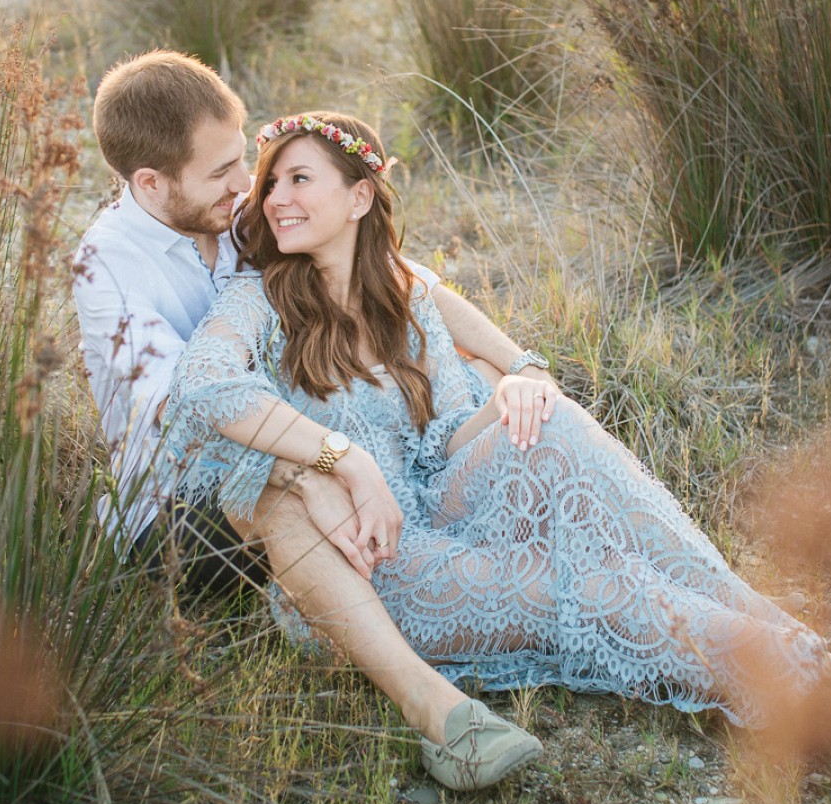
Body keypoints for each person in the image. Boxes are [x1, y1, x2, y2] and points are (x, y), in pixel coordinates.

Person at [164, 110, 831, 793]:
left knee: (560, 425)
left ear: (360, 197)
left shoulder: (407, 290)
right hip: (384, 566)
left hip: (452, 504)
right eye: (270, 185)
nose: (274, 199)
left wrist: (524, 382)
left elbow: (523, 363)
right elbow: (202, 387)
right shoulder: (258, 302)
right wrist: (343, 457)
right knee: (609, 593)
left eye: (298, 179)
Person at [72, 52, 554, 597]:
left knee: (491, 379)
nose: (245, 184)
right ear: (151, 183)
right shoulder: (107, 268)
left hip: (298, 440)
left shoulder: (235, 205)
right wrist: (313, 470)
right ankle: (474, 615)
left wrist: (523, 365)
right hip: (181, 507)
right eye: (219, 172)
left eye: (240, 158)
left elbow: (401, 280)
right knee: (314, 496)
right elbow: (188, 414)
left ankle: (495, 562)